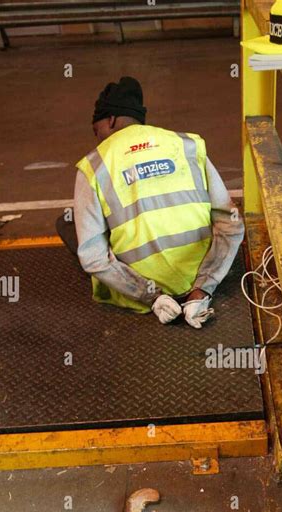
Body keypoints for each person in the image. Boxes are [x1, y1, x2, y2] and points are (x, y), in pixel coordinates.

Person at [56, 76, 244, 328]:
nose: (97, 138)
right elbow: (231, 225)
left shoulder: (93, 166)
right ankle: (194, 294)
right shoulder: (187, 145)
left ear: (110, 120)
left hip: (143, 291)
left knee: (66, 223)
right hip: (197, 275)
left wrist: (151, 296)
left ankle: (154, 298)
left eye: (96, 130)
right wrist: (203, 288)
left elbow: (93, 258)